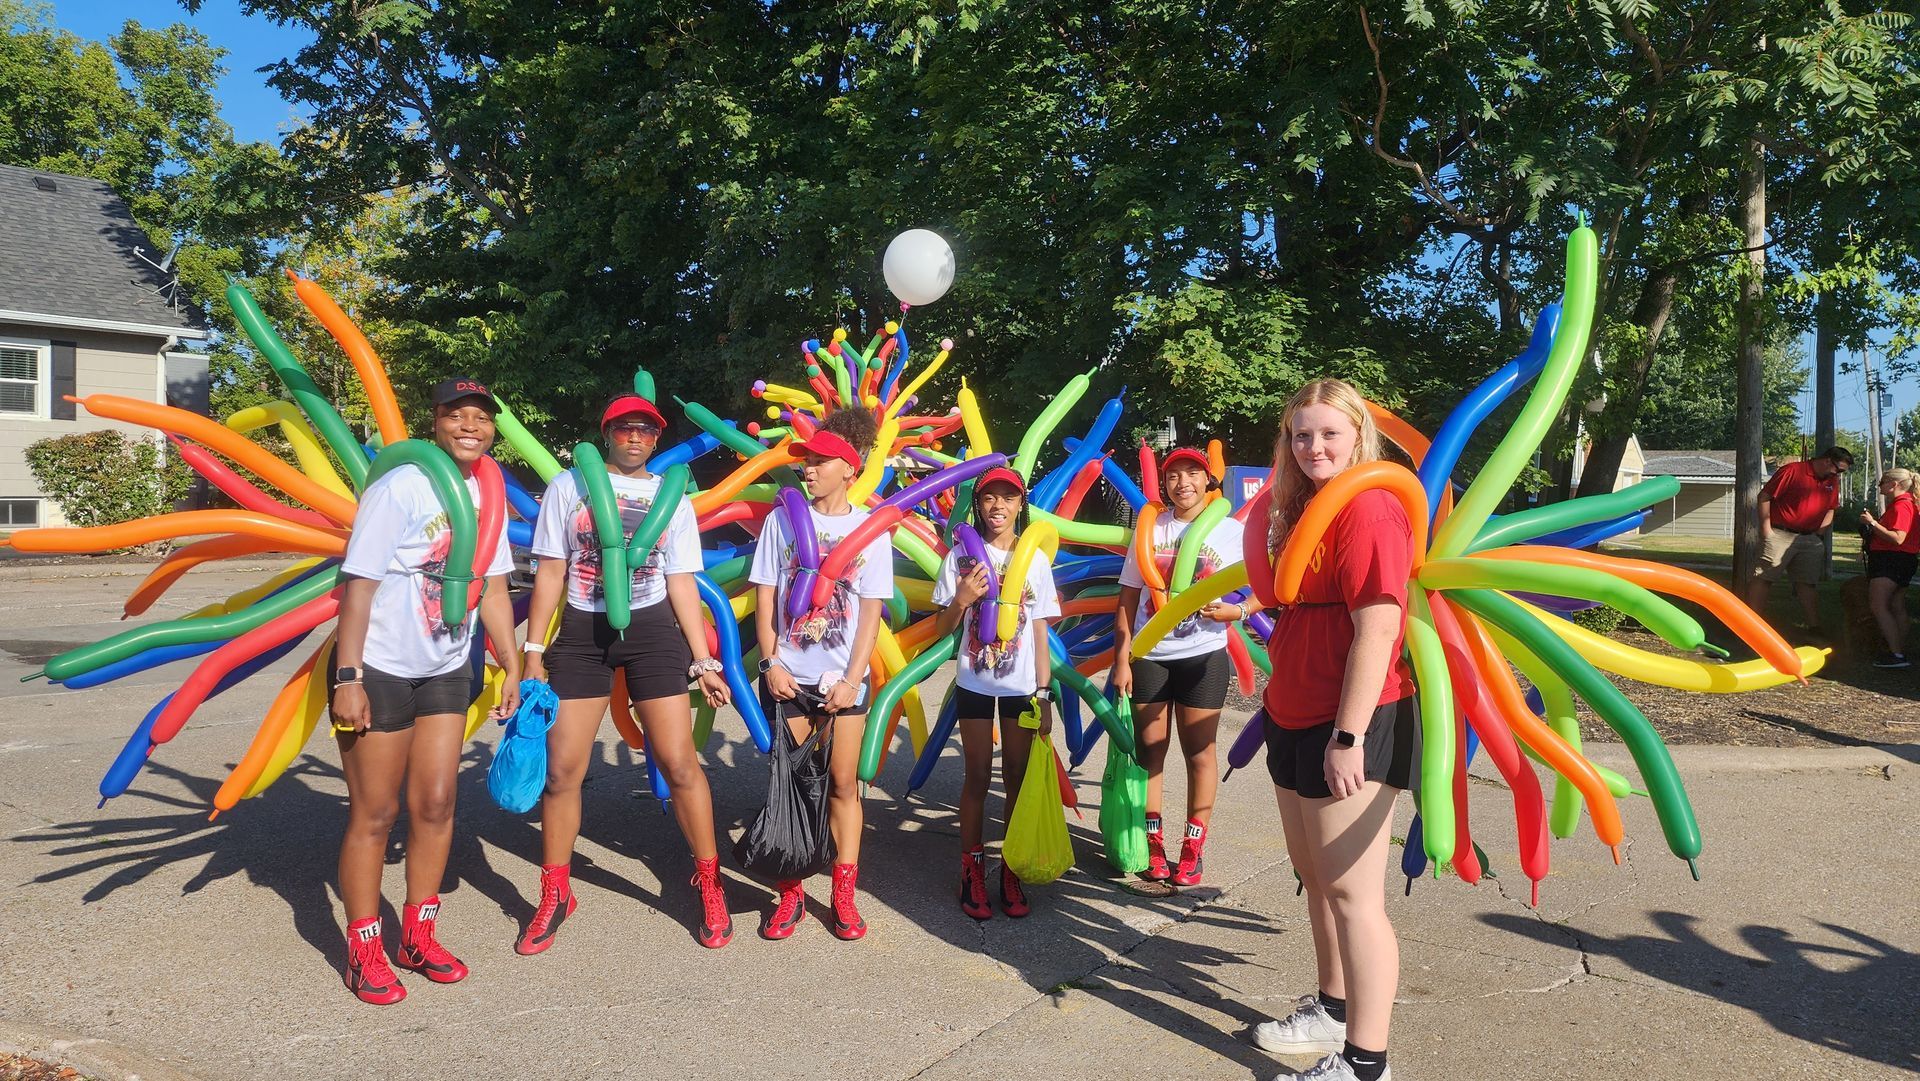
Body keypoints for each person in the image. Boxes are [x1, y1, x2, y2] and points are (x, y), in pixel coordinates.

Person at [519, 393, 735, 953]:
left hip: (652, 632)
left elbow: (683, 582)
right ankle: (555, 891)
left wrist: (704, 660)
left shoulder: (673, 498)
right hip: (583, 635)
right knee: (563, 770)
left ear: (656, 439)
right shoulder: (571, 487)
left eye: (645, 429)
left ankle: (710, 884)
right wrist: (534, 651)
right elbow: (550, 571)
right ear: (607, 432)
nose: (635, 437)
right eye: (625, 428)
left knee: (680, 761)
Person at [331, 377, 521, 1006]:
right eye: (456, 414)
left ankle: (417, 933)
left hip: (445, 666)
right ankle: (364, 948)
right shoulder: (402, 486)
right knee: (376, 813)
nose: (471, 425)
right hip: (380, 666)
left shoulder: (486, 492)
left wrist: (512, 666)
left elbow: (493, 589)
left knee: (437, 804)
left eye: (481, 417)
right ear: (435, 421)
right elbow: (356, 585)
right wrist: (348, 676)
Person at [1249, 379, 1416, 1081]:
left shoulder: (1370, 507)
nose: (1313, 446)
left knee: (1354, 895)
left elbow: (1378, 626)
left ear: (1358, 438)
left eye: (1328, 433)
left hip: (1351, 716)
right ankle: (1332, 1008)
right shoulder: (1302, 509)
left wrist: (1347, 735)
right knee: (1316, 878)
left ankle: (1365, 1061)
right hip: (1292, 708)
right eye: (1300, 434)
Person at [748, 407, 894, 940]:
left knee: (841, 785)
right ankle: (791, 894)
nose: (807, 470)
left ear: (848, 470)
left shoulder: (869, 531)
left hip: (843, 681)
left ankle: (843, 894)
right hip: (790, 676)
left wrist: (853, 678)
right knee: (791, 786)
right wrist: (771, 663)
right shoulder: (782, 521)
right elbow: (765, 596)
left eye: (818, 462)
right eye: (805, 462)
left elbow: (871, 613)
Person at [1109, 447, 1244, 886]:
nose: (1183, 482)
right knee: (1151, 753)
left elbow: (1269, 584)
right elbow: (1128, 598)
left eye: (1192, 473)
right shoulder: (1150, 529)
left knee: (1200, 753)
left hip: (1204, 655)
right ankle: (1153, 844)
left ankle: (1193, 847)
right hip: (1151, 657)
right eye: (1173, 475)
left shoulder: (1230, 531)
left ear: (1208, 481)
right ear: (1164, 484)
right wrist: (1122, 659)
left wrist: (1238, 612)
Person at [932, 467, 1061, 919]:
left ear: (1020, 505)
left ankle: (1010, 869)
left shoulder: (1036, 561)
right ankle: (972, 870)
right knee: (977, 778)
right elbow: (940, 628)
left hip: (1021, 689)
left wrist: (1045, 694)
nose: (998, 506)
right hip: (974, 685)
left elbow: (1041, 631)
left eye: (1008, 497)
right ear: (979, 505)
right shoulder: (960, 559)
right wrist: (962, 599)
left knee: (1017, 781)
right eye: (990, 498)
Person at [1745, 446, 1852, 637]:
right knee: (1764, 578)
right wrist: (1766, 529)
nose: (1839, 474)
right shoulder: (1793, 470)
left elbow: (1831, 508)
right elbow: (1764, 496)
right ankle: (1751, 625)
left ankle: (1814, 627)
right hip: (1780, 534)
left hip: (1810, 539)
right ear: (1827, 460)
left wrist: (1819, 533)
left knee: (1807, 583)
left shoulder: (1832, 480)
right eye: (1839, 469)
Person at [1859, 468, 1917, 669]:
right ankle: (1897, 648)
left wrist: (1872, 523)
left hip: (1890, 560)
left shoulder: (1902, 506)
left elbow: (1898, 538)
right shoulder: (1910, 504)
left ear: (1894, 484)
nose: (1879, 485)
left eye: (1882, 481)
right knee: (1896, 606)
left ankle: (1896, 653)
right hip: (1904, 560)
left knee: (1879, 605)